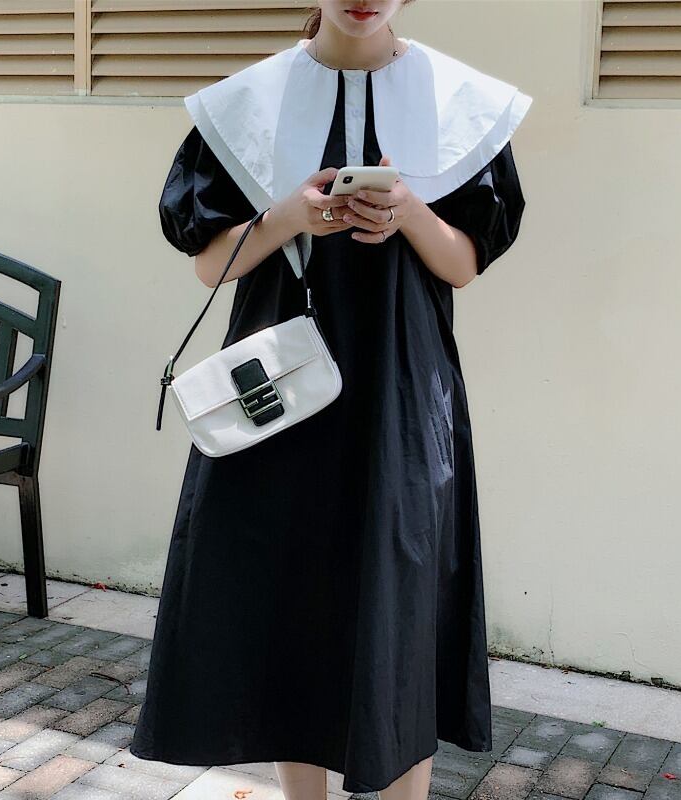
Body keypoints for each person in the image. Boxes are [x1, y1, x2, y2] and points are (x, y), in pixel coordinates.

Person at [129, 2, 533, 798]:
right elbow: (211, 265)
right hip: (281, 392)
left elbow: (463, 264)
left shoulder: (460, 100)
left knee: (403, 605)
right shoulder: (247, 101)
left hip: (401, 393)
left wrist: (410, 212)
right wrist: (290, 216)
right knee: (290, 600)